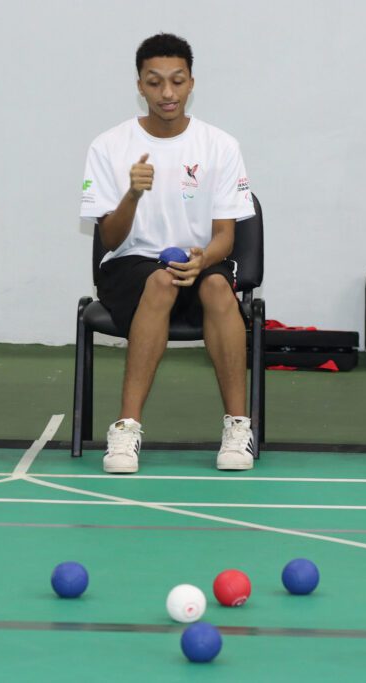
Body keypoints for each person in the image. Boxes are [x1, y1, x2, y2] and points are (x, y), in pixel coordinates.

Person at [80, 33, 256, 473]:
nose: (167, 93)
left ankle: (238, 428)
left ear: (192, 82)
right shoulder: (108, 146)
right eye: (155, 82)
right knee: (160, 281)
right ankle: (125, 430)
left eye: (177, 81)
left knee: (218, 287)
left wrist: (203, 259)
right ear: (139, 85)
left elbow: (225, 237)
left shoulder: (220, 145)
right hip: (129, 263)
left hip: (200, 257)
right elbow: (111, 237)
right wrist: (132, 195)